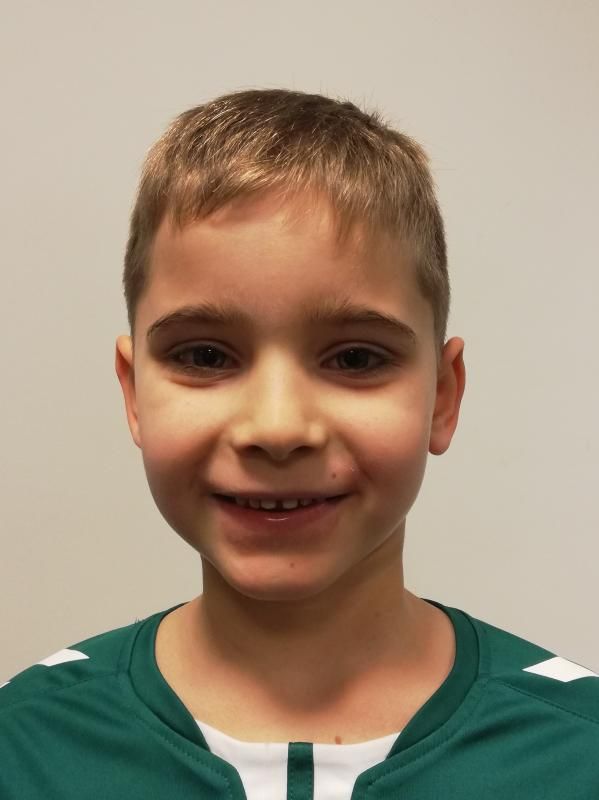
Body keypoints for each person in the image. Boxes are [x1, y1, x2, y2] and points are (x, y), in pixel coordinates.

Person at [1, 88, 598, 799]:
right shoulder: (23, 744)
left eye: (355, 358)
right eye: (204, 356)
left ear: (442, 395)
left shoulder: (576, 752)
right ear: (133, 394)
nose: (277, 428)